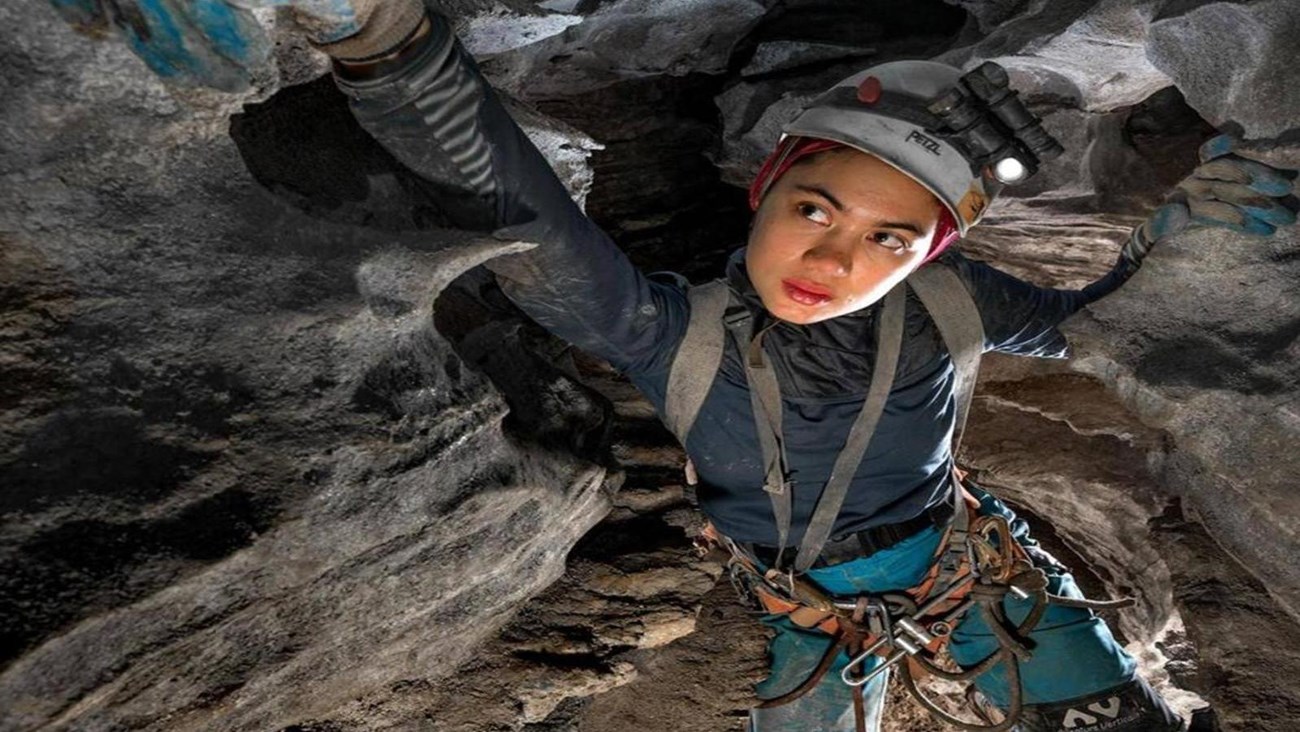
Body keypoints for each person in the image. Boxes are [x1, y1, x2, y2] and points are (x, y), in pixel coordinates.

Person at [55, 1, 1298, 729]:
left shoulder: (954, 306)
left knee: (1102, 716)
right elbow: (518, 202)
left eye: (889, 240)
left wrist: (1191, 272)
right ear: (764, 194)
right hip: (797, 597)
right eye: (815, 209)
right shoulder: (664, 328)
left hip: (961, 572)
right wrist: (384, 39)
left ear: (929, 254)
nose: (837, 258)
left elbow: (1100, 327)